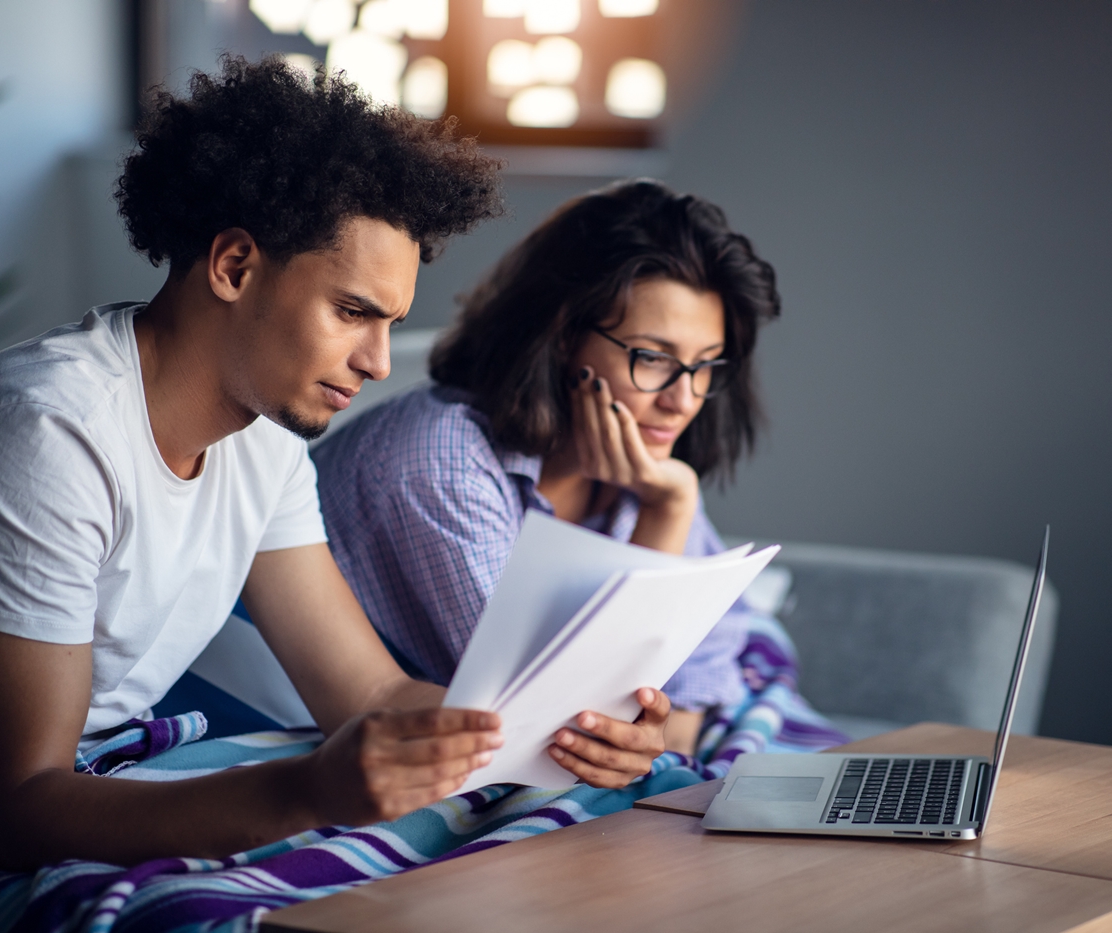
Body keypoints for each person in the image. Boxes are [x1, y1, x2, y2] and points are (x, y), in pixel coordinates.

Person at [0, 59, 673, 873]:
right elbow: (11, 810)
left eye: (390, 322)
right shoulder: (50, 431)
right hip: (3, 825)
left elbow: (370, 695)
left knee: (557, 819)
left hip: (116, 776)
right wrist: (305, 792)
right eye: (351, 312)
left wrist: (572, 731)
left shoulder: (265, 440)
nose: (375, 362)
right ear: (234, 265)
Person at [314, 180, 824, 760]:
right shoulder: (437, 465)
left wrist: (670, 499)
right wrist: (667, 512)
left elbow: (702, 690)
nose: (684, 399)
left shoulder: (640, 465)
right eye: (653, 358)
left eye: (705, 366)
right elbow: (561, 725)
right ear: (562, 338)